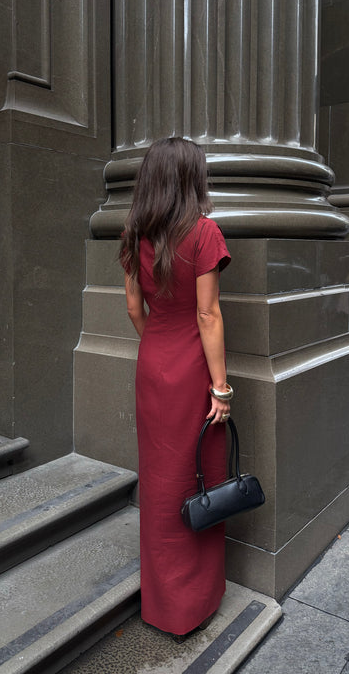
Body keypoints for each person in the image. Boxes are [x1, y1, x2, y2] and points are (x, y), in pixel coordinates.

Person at [120, 137, 233, 639]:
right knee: (196, 478)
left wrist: (159, 347)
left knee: (162, 482)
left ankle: (162, 604)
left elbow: (133, 309)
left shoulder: (132, 235)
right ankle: (197, 601)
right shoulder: (204, 232)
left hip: (153, 368)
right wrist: (222, 387)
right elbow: (207, 314)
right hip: (191, 372)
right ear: (192, 179)